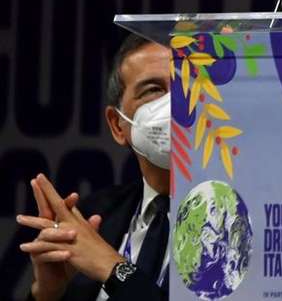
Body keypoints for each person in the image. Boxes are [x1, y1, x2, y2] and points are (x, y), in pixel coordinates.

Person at [17, 34, 172, 301]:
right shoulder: (94, 216)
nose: (176, 104)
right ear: (117, 125)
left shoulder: (242, 221)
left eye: (191, 87)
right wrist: (48, 294)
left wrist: (113, 268)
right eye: (153, 90)